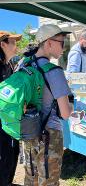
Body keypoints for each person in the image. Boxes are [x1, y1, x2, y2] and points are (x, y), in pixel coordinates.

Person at [23, 24, 73, 185]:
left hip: (29, 132)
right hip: (50, 136)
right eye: (62, 43)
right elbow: (65, 114)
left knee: (31, 178)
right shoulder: (54, 71)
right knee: (49, 181)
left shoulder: (24, 65)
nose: (64, 48)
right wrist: (71, 105)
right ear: (48, 42)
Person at [0, 31, 22, 186]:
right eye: (13, 42)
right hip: (2, 124)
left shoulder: (9, 65)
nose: (16, 46)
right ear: (2, 44)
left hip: (10, 122)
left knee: (12, 153)